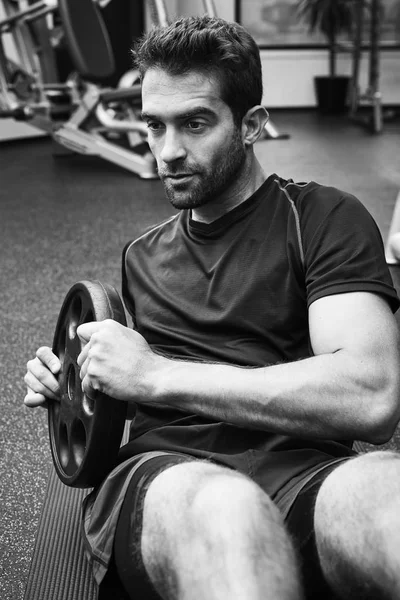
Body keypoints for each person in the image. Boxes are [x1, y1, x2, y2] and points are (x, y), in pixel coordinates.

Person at [24, 15, 400, 600]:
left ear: (251, 125)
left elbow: (370, 395)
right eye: (154, 126)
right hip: (167, 471)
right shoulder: (141, 255)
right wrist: (74, 384)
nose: (168, 152)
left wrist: (157, 375)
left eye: (195, 124)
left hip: (304, 469)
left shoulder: (325, 219)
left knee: (386, 493)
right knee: (230, 513)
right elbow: (126, 401)